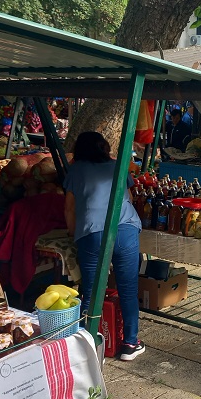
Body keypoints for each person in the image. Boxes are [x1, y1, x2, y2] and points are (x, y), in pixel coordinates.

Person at [64, 132, 144, 361]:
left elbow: (70, 208)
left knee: (91, 290)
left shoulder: (76, 169)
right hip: (126, 229)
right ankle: (130, 344)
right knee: (128, 289)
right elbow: (127, 197)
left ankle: (86, 343)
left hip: (92, 232)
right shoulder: (117, 166)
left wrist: (73, 233)